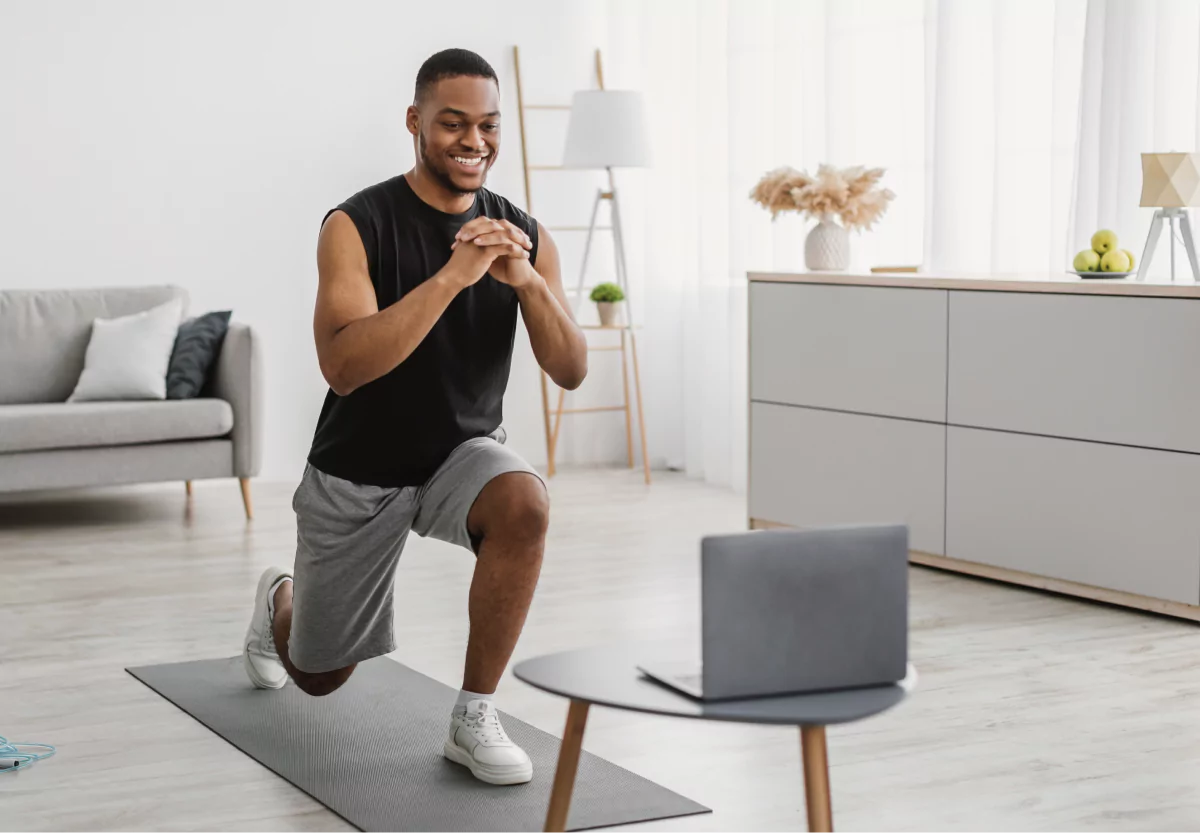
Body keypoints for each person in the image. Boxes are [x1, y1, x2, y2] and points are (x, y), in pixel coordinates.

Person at [241, 48, 587, 786]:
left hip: (461, 456)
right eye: (453, 123)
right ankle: (280, 600)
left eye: (488, 125)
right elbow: (345, 365)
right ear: (415, 123)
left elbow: (571, 369)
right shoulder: (355, 222)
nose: (474, 141)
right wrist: (454, 276)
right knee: (319, 675)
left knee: (524, 500)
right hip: (359, 467)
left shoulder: (522, 231)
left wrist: (525, 281)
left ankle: (474, 713)